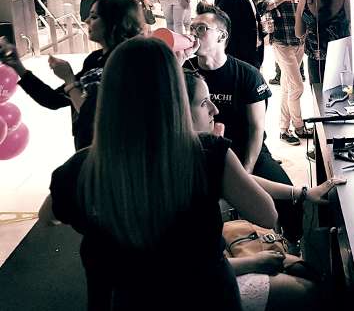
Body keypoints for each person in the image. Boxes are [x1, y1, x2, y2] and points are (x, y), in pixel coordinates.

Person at [42, 37, 279, 310]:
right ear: (175, 92)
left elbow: (48, 217)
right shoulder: (207, 153)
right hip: (207, 298)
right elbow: (267, 215)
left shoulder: (80, 168)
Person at [183, 69, 343, 310]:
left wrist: (302, 193)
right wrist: (218, 150)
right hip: (205, 290)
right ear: (179, 110)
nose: (215, 110)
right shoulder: (205, 152)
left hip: (160, 289)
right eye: (204, 103)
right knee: (311, 289)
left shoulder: (136, 161)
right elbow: (268, 216)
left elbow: (182, 263)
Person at [185, 3, 305, 243]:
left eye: (201, 28)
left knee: (289, 201)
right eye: (192, 28)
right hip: (202, 154)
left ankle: (294, 241)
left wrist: (246, 169)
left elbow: (256, 129)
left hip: (248, 151)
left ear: (222, 36)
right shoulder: (185, 73)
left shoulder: (247, 74)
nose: (194, 34)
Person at [0, 0, 141, 150]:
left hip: (114, 153)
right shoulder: (94, 59)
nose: (86, 21)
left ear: (114, 23)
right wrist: (19, 68)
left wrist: (69, 80)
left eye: (94, 17)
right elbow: (53, 100)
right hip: (87, 151)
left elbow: (95, 118)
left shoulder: (129, 63)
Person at [254, 0, 311, 143]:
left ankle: (284, 129)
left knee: (288, 85)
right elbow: (259, 5)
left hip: (298, 37)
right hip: (280, 37)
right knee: (297, 86)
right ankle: (299, 125)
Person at [295, 0, 349, 84]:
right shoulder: (346, 0)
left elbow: (298, 33)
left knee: (318, 94)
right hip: (340, 59)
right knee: (338, 94)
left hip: (315, 60)